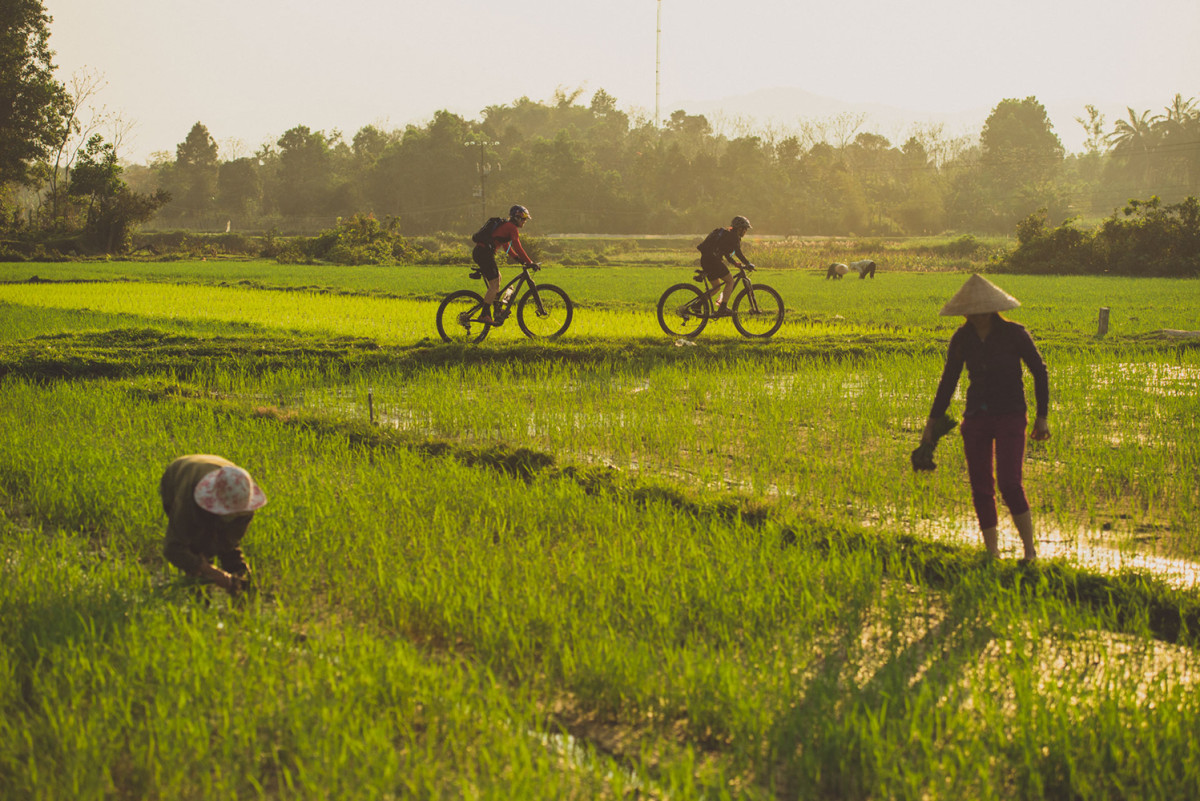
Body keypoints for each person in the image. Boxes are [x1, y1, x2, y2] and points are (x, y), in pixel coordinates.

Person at [921, 275, 1050, 561]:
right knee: (981, 486)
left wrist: (1042, 416)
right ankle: (992, 552)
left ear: (992, 309)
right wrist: (931, 423)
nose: (977, 315)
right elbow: (948, 382)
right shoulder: (962, 339)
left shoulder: (1015, 334)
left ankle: (1029, 552)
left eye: (982, 310)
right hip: (976, 417)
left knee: (1010, 484)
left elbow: (1039, 372)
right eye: (972, 311)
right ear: (964, 312)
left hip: (1010, 415)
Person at [160, 454, 267, 594]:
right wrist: (208, 570)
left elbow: (230, 542)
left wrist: (238, 575)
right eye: (229, 512)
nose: (234, 516)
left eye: (237, 513)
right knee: (194, 544)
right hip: (180, 474)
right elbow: (172, 548)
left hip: (216, 471)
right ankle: (198, 592)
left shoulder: (244, 498)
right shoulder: (188, 499)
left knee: (224, 543)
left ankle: (241, 587)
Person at [472, 204, 537, 325]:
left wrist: (518, 259)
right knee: (494, 284)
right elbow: (517, 246)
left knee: (498, 278)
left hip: (481, 252)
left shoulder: (505, 226)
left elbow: (507, 247)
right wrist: (530, 262)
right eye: (524, 219)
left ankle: (497, 309)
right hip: (484, 253)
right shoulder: (512, 228)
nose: (525, 221)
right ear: (517, 217)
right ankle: (484, 314)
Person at [696, 216, 755, 318]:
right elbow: (738, 252)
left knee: (716, 287)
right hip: (713, 261)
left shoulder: (727, 234)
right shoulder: (733, 237)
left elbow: (726, 253)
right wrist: (748, 263)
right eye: (745, 229)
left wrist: (734, 263)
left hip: (706, 260)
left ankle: (697, 305)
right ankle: (723, 308)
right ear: (739, 228)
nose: (745, 231)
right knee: (730, 281)